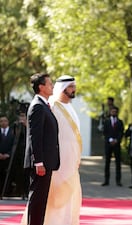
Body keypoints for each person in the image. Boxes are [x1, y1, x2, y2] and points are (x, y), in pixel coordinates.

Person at [40, 75, 82, 224]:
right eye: (71, 87)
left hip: (71, 162)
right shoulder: (52, 106)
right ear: (63, 88)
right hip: (58, 162)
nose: (73, 89)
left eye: (74, 86)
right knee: (56, 195)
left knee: (71, 196)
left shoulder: (70, 107)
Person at [22, 73, 60, 225]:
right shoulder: (38, 106)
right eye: (50, 84)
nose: (52, 86)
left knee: (41, 200)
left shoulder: (44, 105)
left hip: (46, 161)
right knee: (37, 200)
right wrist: (38, 162)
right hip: (41, 163)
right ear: (41, 87)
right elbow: (34, 136)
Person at [102, 106, 124, 186]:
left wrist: (117, 140)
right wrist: (109, 140)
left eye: (115, 111)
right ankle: (106, 180)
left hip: (117, 144)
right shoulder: (106, 121)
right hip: (108, 144)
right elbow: (105, 132)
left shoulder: (120, 122)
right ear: (110, 112)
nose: (114, 113)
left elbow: (121, 132)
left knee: (118, 163)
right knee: (107, 162)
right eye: (112, 111)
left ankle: (118, 180)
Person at [0, 115, 14, 195]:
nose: (3, 123)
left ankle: (7, 193)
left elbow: (15, 145)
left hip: (9, 159)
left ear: (8, 122)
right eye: (1, 121)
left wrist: (8, 154)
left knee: (8, 177)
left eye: (5, 121)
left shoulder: (13, 132)